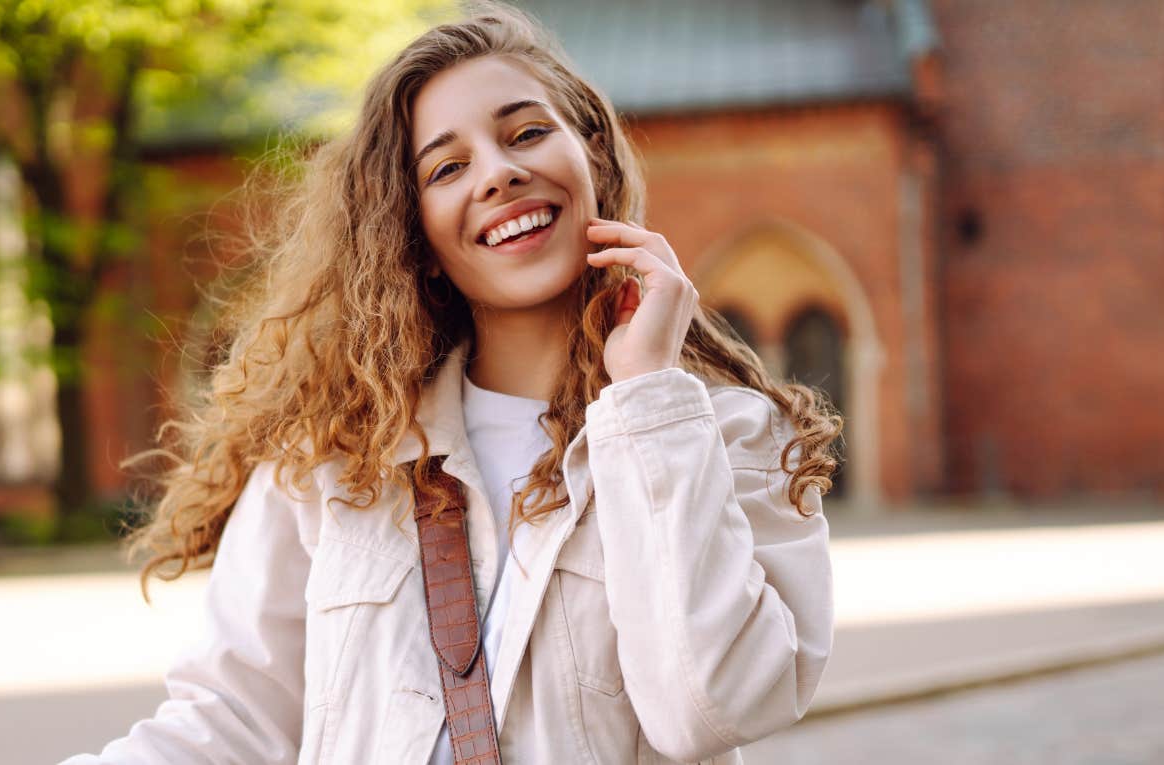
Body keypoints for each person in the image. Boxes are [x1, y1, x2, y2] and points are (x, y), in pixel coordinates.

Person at [62, 2, 842, 763]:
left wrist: (645, 397)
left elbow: (711, 709)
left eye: (527, 132)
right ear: (419, 234)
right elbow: (229, 726)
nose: (500, 173)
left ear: (594, 158)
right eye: (448, 167)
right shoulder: (330, 461)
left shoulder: (726, 434)